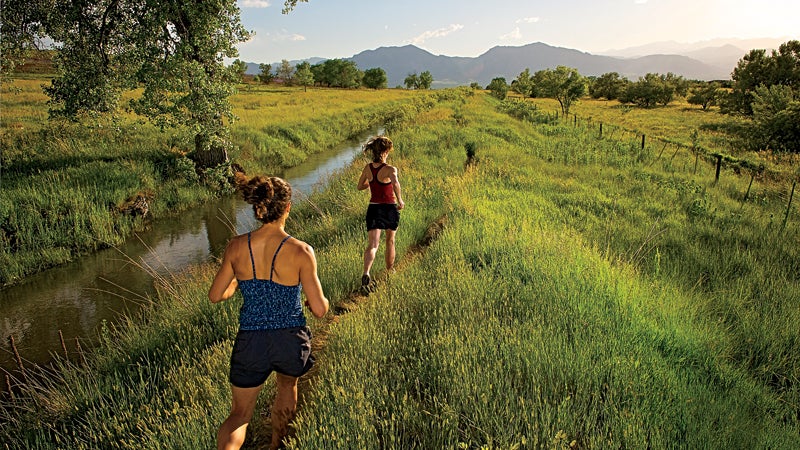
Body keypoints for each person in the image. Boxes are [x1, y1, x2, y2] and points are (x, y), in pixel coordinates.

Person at [209, 173, 329, 450]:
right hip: (290, 339)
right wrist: (311, 303)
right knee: (287, 388)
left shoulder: (236, 246)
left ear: (257, 208)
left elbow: (216, 295)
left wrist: (239, 283)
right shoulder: (301, 251)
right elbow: (321, 309)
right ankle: (276, 444)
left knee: (239, 416)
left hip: (251, 340)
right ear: (288, 207)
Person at [357, 135, 405, 293]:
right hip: (389, 208)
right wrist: (400, 200)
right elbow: (396, 184)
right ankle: (390, 271)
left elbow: (360, 186)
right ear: (385, 152)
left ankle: (366, 273)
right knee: (390, 241)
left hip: (373, 208)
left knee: (373, 245)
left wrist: (371, 183)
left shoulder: (367, 168)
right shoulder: (391, 169)